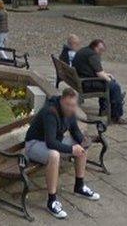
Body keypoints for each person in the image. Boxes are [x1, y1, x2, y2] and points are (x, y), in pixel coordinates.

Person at [24, 87, 101, 219]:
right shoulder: (50, 112)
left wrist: (82, 141)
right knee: (54, 155)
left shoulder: (70, 112)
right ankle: (52, 200)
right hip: (34, 144)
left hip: (52, 141)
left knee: (81, 145)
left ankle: (79, 185)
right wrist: (71, 150)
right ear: (61, 101)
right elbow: (50, 143)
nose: (71, 108)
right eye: (68, 105)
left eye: (73, 105)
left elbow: (75, 131)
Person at [71, 39, 127, 125]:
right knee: (115, 87)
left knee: (110, 83)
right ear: (95, 47)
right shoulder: (92, 55)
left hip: (80, 80)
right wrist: (109, 80)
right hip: (86, 83)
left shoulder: (84, 50)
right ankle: (116, 115)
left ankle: (106, 107)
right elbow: (100, 74)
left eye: (103, 50)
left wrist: (107, 75)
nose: (101, 52)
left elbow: (97, 71)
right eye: (100, 50)